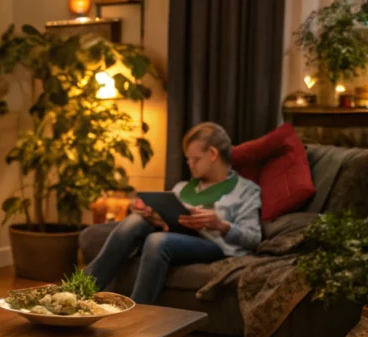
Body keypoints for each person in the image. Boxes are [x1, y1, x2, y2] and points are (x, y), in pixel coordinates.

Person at [84, 122, 262, 305]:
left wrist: (220, 224)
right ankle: (82, 289)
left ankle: (137, 313)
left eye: (196, 159)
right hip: (178, 236)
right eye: (188, 159)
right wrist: (155, 216)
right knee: (136, 221)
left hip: (213, 245)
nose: (190, 165)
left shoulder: (245, 190)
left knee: (157, 241)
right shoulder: (182, 188)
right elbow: (170, 221)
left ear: (213, 154)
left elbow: (254, 238)